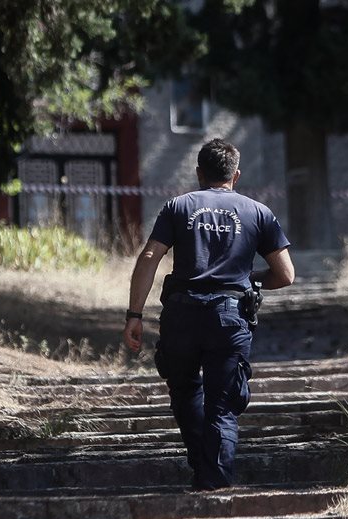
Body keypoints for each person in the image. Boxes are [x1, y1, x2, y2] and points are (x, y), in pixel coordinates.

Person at [122, 138, 294, 490]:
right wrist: (248, 280)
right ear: (236, 174)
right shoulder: (257, 212)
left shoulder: (178, 206)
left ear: (199, 172)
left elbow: (150, 257)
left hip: (181, 314)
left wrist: (134, 314)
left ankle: (204, 471)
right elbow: (286, 274)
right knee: (223, 404)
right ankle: (214, 482)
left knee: (185, 392)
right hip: (229, 317)